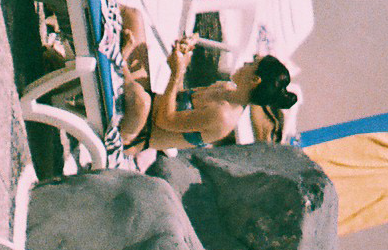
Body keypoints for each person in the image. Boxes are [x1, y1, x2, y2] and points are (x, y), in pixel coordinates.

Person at [116, 14, 300, 152]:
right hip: (145, 97)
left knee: (141, 101)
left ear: (254, 80)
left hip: (137, 131)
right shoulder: (225, 88)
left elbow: (163, 120)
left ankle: (118, 61)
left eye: (252, 64)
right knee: (134, 16)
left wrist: (175, 73)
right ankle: (118, 63)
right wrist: (182, 60)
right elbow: (176, 99)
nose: (245, 64)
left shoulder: (223, 116)